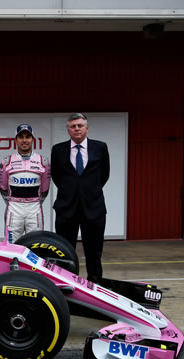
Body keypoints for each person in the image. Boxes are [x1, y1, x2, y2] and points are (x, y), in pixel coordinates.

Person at [51, 113, 110, 282]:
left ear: (87, 128)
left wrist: (88, 191)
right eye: (72, 126)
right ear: (68, 130)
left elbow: (104, 175)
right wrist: (72, 191)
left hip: (94, 208)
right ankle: (66, 283)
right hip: (66, 208)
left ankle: (95, 284)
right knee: (64, 251)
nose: (76, 129)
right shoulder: (58, 150)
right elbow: (57, 177)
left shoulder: (100, 147)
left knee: (94, 251)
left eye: (80, 125)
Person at [0, 124, 50, 243]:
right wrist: (13, 202)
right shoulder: (7, 161)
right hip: (14, 208)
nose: (24, 140)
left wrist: (34, 202)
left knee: (36, 244)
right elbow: (3, 187)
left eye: (28, 137)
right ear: (16, 140)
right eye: (21, 137)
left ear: (33, 139)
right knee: (11, 246)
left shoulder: (43, 162)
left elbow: (44, 189)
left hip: (34, 208)